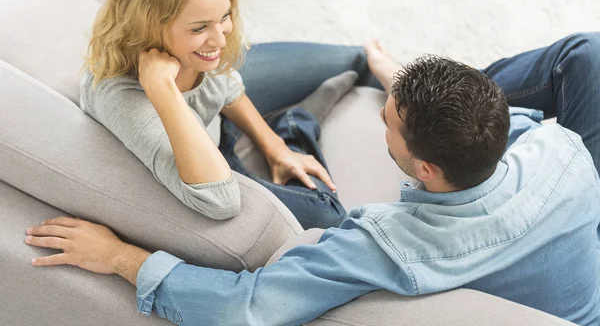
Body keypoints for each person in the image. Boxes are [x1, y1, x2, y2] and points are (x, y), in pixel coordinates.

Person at [25, 32, 600, 325]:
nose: (381, 118)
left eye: (388, 120)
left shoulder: (387, 245)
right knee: (586, 56)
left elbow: (244, 309)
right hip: (567, 239)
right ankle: (408, 85)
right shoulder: (561, 146)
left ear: (426, 169)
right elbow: (519, 123)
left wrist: (121, 258)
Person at [79, 0, 383, 229]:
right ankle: (296, 121)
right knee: (329, 217)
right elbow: (221, 201)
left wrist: (274, 146)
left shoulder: (195, 48)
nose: (220, 41)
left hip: (217, 120)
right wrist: (163, 90)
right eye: (199, 28)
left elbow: (225, 84)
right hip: (209, 153)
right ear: (148, 25)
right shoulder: (121, 97)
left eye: (223, 17)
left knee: (360, 58)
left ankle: (422, 143)